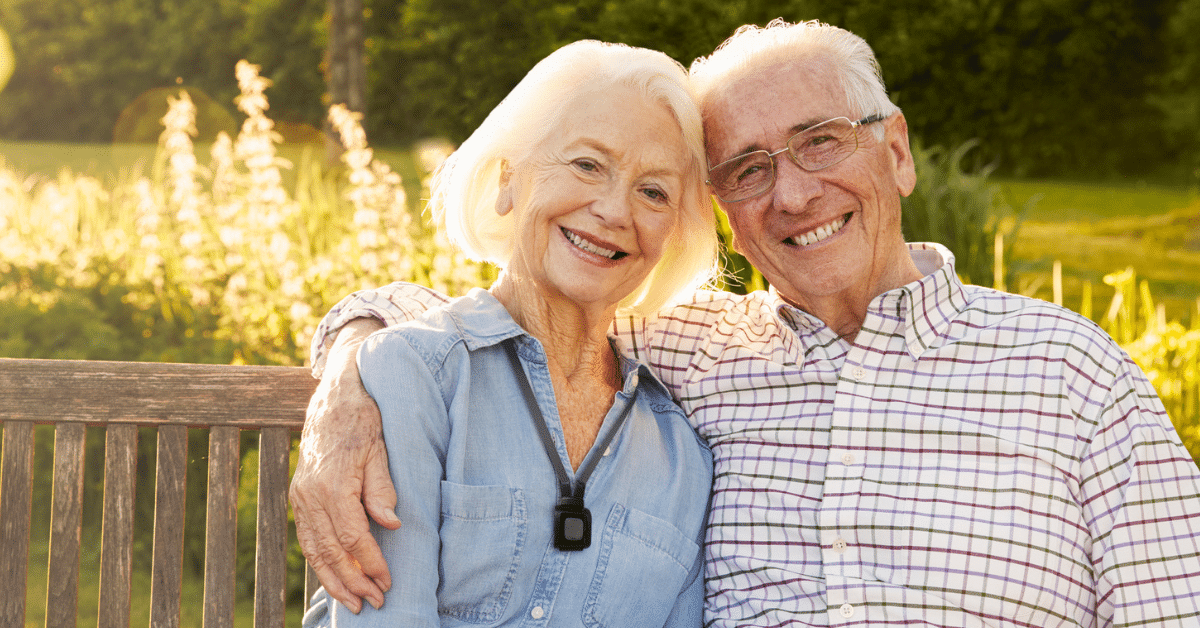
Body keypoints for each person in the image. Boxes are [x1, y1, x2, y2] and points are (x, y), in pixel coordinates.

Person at [291, 19, 1200, 626]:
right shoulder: (700, 352)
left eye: (820, 141)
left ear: (895, 151)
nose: (795, 192)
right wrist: (353, 368)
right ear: (722, 207)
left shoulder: (1070, 370)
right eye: (749, 168)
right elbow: (512, 314)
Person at [299, 39, 720, 627]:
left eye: (653, 192)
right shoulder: (416, 376)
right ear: (508, 180)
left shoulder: (684, 454)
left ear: (673, 232)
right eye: (587, 164)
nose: (614, 210)